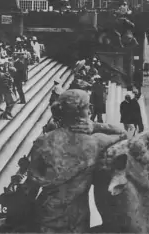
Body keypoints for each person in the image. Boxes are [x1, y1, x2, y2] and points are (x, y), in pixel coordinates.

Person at [28, 90, 126, 233]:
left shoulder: (43, 141)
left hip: (46, 215)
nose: (91, 108)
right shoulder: (96, 143)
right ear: (82, 112)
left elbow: (31, 184)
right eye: (88, 106)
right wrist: (96, 126)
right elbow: (123, 134)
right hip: (76, 220)